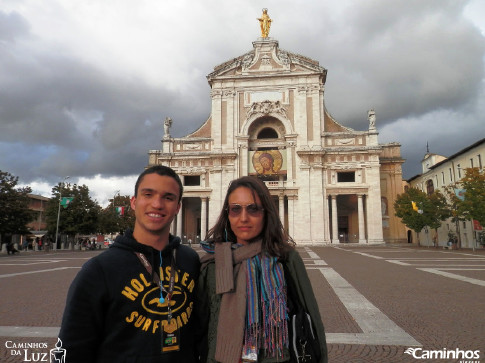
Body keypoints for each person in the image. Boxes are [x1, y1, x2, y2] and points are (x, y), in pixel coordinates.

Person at [59, 165, 200, 362]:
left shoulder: (189, 260)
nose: (157, 204)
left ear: (178, 206)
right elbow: (71, 349)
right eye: (148, 194)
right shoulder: (99, 270)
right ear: (134, 202)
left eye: (168, 197)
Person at [197, 176, 327, 362]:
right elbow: (200, 326)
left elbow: (311, 316)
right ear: (227, 214)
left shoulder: (285, 258)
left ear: (266, 213)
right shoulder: (213, 263)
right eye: (235, 209)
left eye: (253, 209)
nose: (244, 218)